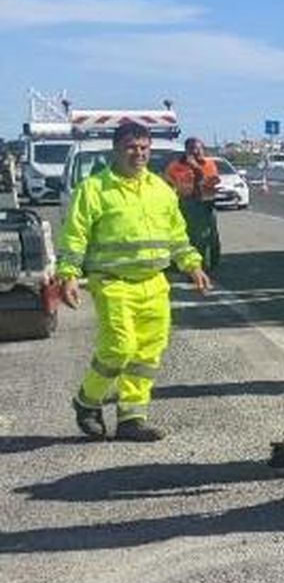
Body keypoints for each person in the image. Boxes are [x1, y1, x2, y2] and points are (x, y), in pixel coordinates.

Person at [56, 121, 211, 441]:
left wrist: (192, 264)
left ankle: (131, 417)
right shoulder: (94, 189)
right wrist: (68, 275)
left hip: (154, 282)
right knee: (119, 346)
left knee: (147, 353)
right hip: (113, 282)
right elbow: (74, 236)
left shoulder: (160, 189)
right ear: (116, 149)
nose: (138, 154)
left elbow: (176, 235)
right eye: (131, 147)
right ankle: (88, 401)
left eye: (143, 148)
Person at [163, 137, 222, 270]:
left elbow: (211, 182)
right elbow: (168, 182)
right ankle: (187, 264)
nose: (197, 153)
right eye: (193, 149)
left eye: (200, 149)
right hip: (185, 204)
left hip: (205, 204)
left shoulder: (208, 164)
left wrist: (197, 169)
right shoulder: (176, 165)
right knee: (187, 236)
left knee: (206, 237)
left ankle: (207, 264)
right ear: (187, 150)